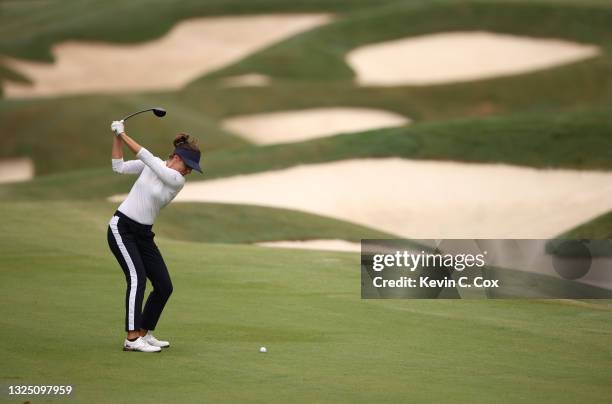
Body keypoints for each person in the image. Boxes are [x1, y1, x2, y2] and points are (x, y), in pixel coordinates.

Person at [106, 119, 202, 352]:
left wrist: (124, 133)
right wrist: (117, 137)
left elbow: (148, 158)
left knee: (163, 285)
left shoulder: (176, 180)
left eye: (192, 168)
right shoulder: (156, 165)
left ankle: (144, 332)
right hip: (122, 228)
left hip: (144, 234)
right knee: (137, 278)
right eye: (187, 164)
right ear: (176, 157)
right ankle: (131, 339)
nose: (188, 171)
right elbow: (118, 166)